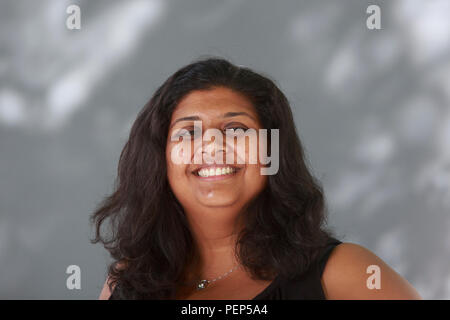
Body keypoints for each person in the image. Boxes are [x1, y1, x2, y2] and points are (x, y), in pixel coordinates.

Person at [91, 57, 421, 300]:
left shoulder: (347, 274)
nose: (212, 146)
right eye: (188, 132)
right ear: (160, 159)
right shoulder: (126, 285)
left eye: (236, 129)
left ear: (272, 152)